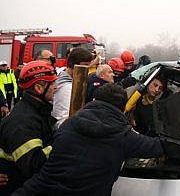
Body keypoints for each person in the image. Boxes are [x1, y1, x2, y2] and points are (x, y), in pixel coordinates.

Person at [12, 84, 164, 196]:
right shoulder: (125, 137)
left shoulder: (68, 123)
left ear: (94, 99)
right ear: (123, 108)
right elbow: (160, 147)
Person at [0, 61, 58, 196]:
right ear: (38, 88)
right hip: (15, 188)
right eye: (52, 84)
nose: (56, 87)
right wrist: (62, 139)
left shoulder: (36, 112)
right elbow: (33, 165)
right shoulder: (23, 121)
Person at [52, 47, 93, 129]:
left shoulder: (62, 75)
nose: (87, 69)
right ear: (73, 65)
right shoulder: (66, 89)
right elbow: (62, 119)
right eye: (85, 65)